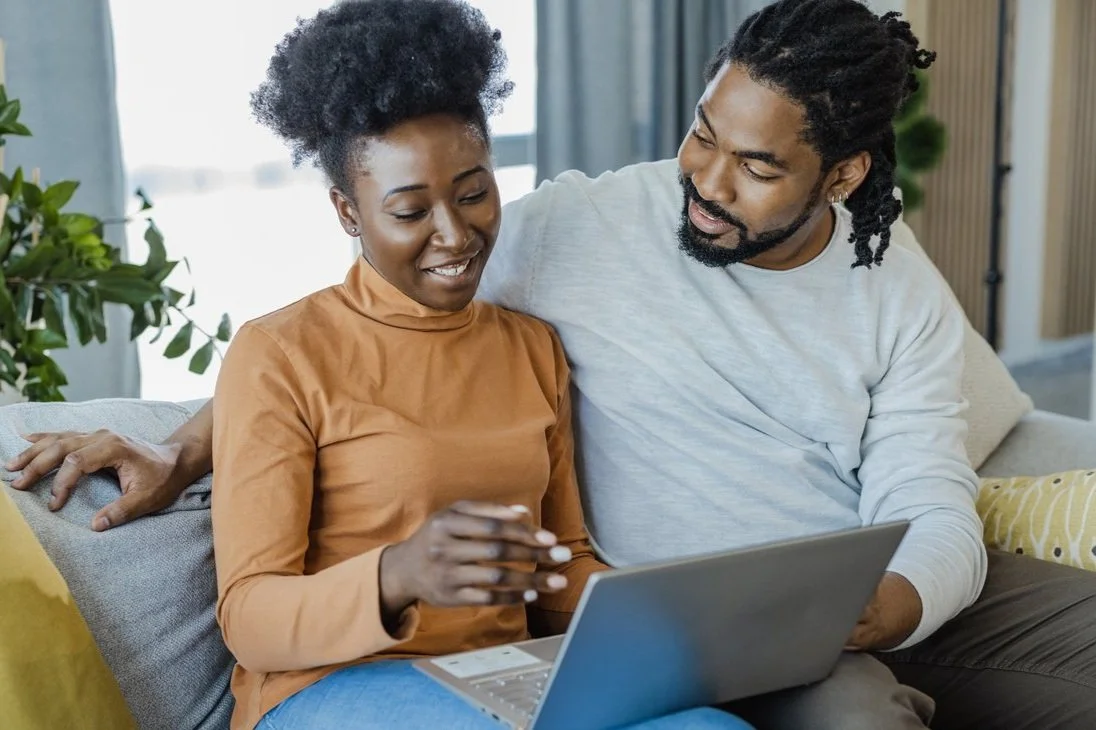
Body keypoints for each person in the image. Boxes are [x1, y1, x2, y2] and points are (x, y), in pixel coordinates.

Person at [8, 1, 1095, 728]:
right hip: (362, 678)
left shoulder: (536, 334)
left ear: (845, 174)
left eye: (756, 165)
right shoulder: (545, 241)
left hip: (654, 638)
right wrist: (185, 448)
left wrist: (684, 614)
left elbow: (571, 554)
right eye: (702, 132)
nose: (705, 178)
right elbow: (317, 380)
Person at [134, 2, 753, 730]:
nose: (456, 235)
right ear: (347, 211)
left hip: (507, 683)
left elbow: (558, 575)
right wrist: (398, 574)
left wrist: (684, 615)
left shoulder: (531, 347)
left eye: (473, 193)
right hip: (330, 688)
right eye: (409, 211)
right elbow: (250, 616)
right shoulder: (280, 353)